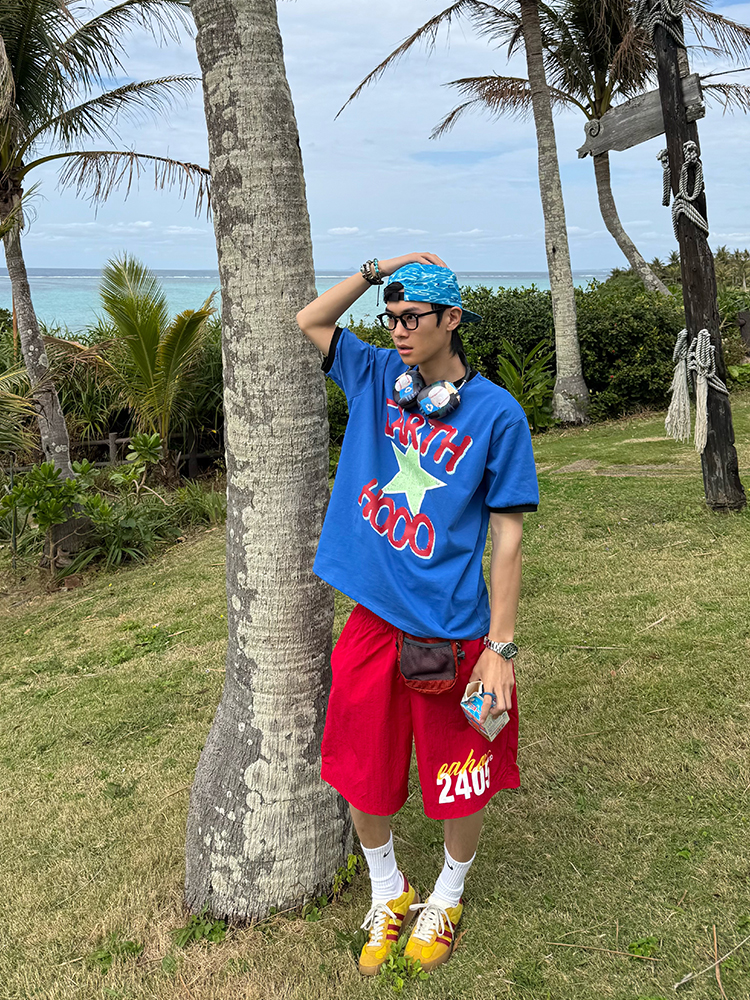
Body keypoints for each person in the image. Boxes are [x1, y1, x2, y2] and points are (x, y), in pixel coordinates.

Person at [296, 252, 539, 975]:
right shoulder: (376, 378)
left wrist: (501, 648)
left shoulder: (497, 415)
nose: (399, 330)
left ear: (452, 319)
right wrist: (382, 268)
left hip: (454, 631)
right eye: (392, 318)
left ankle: (448, 895)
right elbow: (312, 319)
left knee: (461, 776)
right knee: (361, 769)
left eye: (414, 318)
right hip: (373, 621)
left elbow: (508, 539)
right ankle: (388, 889)